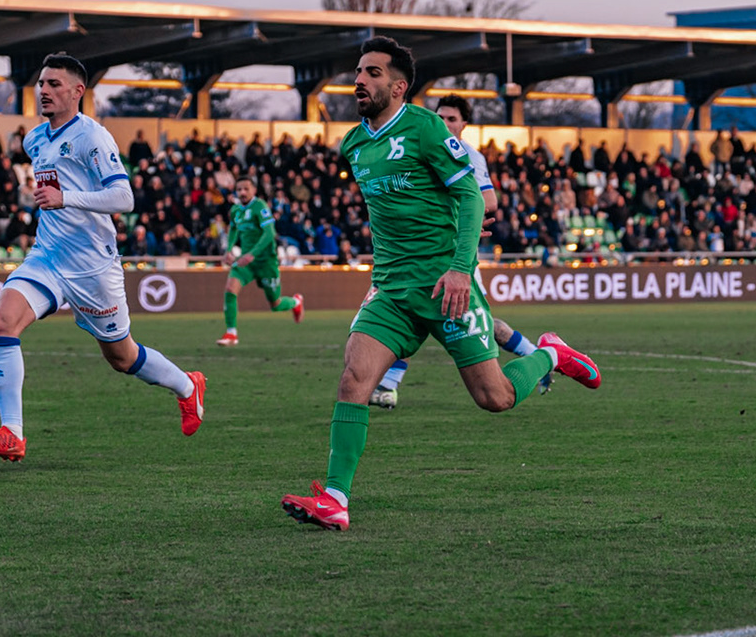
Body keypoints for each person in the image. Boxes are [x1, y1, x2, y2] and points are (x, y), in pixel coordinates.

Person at [280, 37, 600, 532]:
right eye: (358, 72)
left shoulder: (426, 128)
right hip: (392, 291)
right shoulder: (354, 143)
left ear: (398, 85)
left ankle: (551, 354)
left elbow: (470, 196)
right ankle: (336, 497)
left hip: (447, 287)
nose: (359, 80)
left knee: (494, 398)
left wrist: (458, 264)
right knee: (354, 378)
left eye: (371, 73)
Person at [0, 53, 206, 463]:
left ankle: (187, 386)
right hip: (47, 257)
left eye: (54, 84)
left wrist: (66, 198)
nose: (44, 90)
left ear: (78, 91)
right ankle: (13, 433)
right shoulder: (35, 139)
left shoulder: (93, 137)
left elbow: (124, 198)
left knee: (121, 356)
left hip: (93, 268)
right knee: (2, 321)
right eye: (41, 83)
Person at [368, 95, 549, 408]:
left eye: (452, 119)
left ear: (465, 124)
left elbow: (487, 200)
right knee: (408, 311)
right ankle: (388, 384)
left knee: (483, 328)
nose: (445, 123)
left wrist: (460, 214)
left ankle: (537, 355)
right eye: (441, 117)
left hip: (456, 259)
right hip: (421, 255)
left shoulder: (468, 155)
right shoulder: (424, 147)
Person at [216, 176, 303, 346]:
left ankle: (296, 302)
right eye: (239, 189)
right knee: (230, 289)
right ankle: (231, 333)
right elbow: (233, 228)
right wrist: (228, 250)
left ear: (254, 190)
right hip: (245, 262)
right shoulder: (236, 210)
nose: (242, 192)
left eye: (246, 189)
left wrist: (252, 254)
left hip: (265, 262)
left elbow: (269, 233)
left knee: (275, 304)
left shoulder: (260, 207)